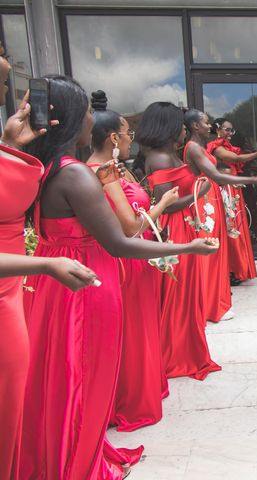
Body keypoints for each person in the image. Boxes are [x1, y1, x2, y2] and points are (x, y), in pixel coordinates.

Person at [20, 77, 217, 479]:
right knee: (87, 381)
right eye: (89, 112)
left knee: (62, 381)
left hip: (55, 282)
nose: (93, 119)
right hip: (86, 285)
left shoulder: (41, 168)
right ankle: (76, 465)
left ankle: (69, 454)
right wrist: (186, 248)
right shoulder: (75, 175)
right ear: (75, 120)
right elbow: (120, 242)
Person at [0, 54, 96, 479]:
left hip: (15, 286)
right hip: (23, 278)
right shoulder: (72, 173)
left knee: (21, 398)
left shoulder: (26, 157)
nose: (14, 103)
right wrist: (45, 263)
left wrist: (9, 147)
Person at [87, 90, 178, 432]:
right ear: (113, 137)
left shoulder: (114, 168)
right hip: (126, 260)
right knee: (132, 332)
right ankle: (130, 399)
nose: (131, 139)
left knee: (140, 329)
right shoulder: (101, 173)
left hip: (138, 260)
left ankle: (143, 387)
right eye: (127, 134)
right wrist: (163, 204)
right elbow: (130, 226)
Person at [137, 102, 222, 381]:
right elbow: (168, 204)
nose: (184, 129)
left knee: (188, 294)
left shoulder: (167, 153)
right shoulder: (160, 158)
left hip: (184, 226)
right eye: (180, 124)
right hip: (174, 228)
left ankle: (187, 351)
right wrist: (201, 192)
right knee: (178, 295)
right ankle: (175, 356)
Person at [185, 110, 257, 322]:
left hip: (212, 197)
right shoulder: (194, 147)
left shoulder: (199, 147)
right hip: (205, 202)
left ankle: (217, 301)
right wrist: (254, 180)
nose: (209, 126)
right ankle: (210, 306)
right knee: (210, 254)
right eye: (206, 123)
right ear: (195, 126)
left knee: (216, 253)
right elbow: (214, 175)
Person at [208, 118, 257, 284]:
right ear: (217, 129)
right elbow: (235, 159)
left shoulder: (225, 146)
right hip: (224, 190)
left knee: (236, 227)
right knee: (230, 229)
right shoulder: (216, 147)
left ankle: (238, 269)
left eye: (232, 131)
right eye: (227, 130)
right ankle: (231, 270)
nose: (230, 134)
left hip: (232, 188)